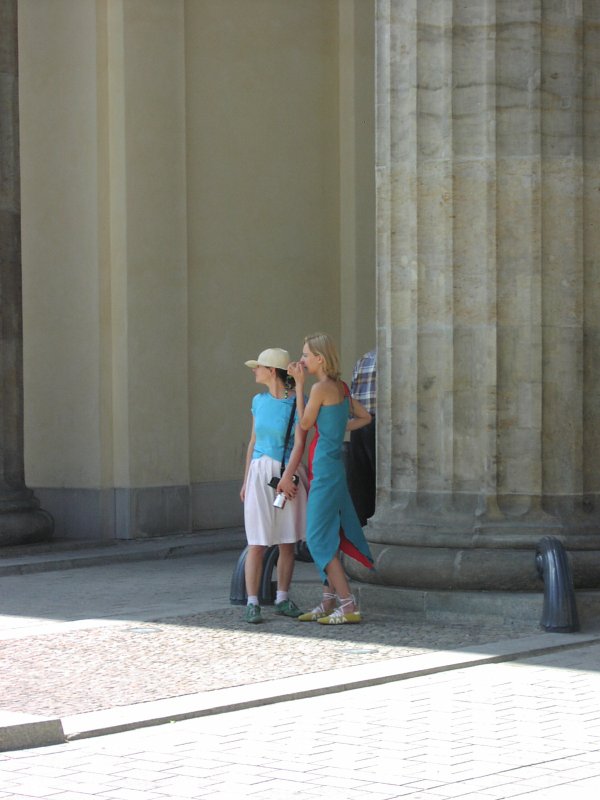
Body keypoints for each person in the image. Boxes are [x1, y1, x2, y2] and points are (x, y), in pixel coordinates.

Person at [288, 333, 374, 625]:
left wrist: (299, 386)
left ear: (319, 358)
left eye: (305, 355)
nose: (302, 360)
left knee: (316, 538)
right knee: (330, 534)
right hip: (331, 465)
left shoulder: (320, 388)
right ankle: (328, 601)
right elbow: (365, 418)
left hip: (324, 468)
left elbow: (304, 423)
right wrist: (336, 428)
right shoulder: (341, 387)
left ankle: (348, 604)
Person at [240, 348, 308, 624]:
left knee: (287, 541)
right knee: (256, 541)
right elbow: (253, 442)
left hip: (287, 473)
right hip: (259, 473)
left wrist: (287, 476)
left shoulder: (296, 402)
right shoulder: (258, 401)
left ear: (271, 371)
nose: (254, 371)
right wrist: (245, 480)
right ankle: (252, 602)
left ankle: (282, 598)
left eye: (258, 366)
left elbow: (300, 441)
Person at [347, 348, 376, 526]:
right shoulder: (396, 358)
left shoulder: (364, 359)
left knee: (360, 478)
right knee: (380, 478)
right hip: (381, 423)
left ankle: (361, 523)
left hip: (359, 423)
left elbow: (353, 394)